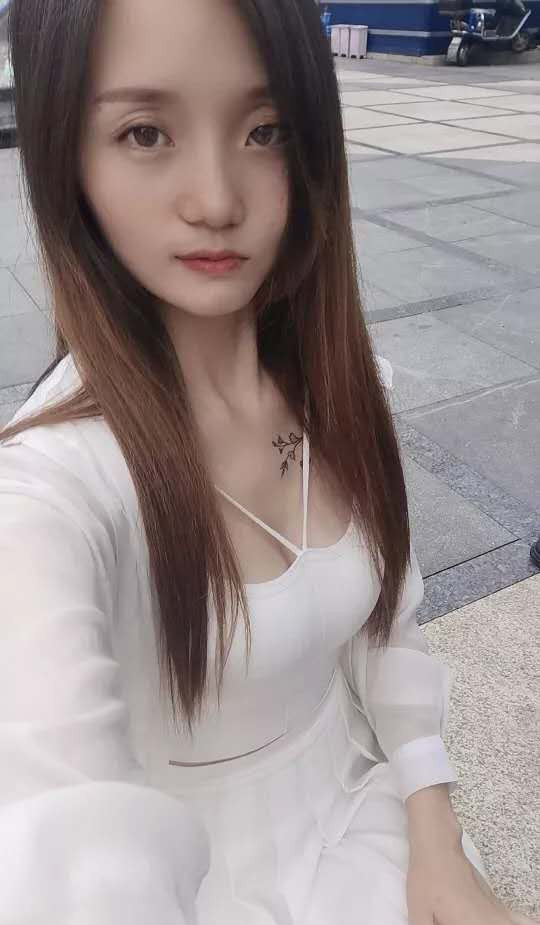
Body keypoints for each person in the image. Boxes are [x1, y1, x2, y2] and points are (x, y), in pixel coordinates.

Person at [1, 1, 534, 923]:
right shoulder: (51, 489)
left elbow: (385, 628)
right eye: (145, 132)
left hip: (370, 829)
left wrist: (439, 842)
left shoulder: (337, 383)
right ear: (65, 155)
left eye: (264, 130)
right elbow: (57, 826)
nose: (216, 200)